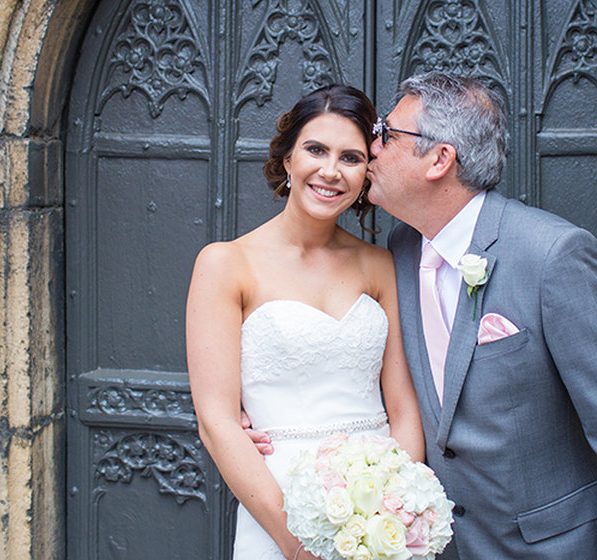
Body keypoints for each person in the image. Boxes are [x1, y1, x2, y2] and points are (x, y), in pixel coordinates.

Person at [250, 71, 597, 558]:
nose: (371, 148)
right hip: (434, 544)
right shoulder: (403, 248)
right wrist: (264, 403)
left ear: (440, 159)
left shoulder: (551, 255)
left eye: (386, 135)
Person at [186, 84, 425, 560]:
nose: (330, 171)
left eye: (351, 158)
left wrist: (394, 510)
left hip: (377, 510)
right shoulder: (226, 264)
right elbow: (216, 420)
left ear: (365, 175)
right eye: (316, 149)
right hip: (277, 506)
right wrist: (298, 547)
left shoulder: (381, 265)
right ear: (288, 159)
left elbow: (404, 410)